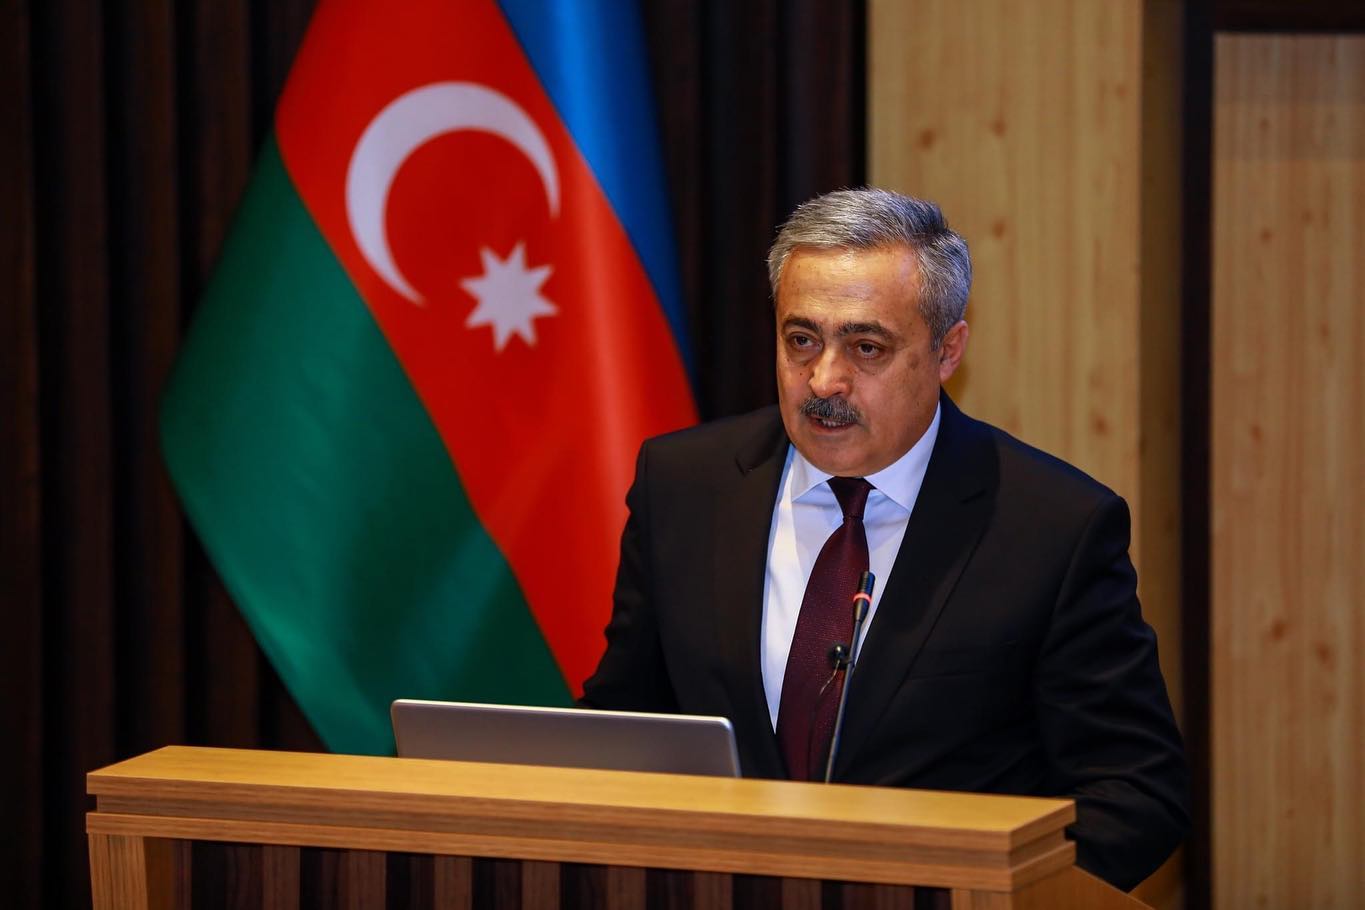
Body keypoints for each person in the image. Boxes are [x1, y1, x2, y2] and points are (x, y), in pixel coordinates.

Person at [580, 188, 1189, 891]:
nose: (824, 380)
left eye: (865, 347)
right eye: (801, 340)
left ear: (946, 350)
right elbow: (622, 727)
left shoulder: (1053, 526)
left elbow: (1134, 792)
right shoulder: (684, 486)